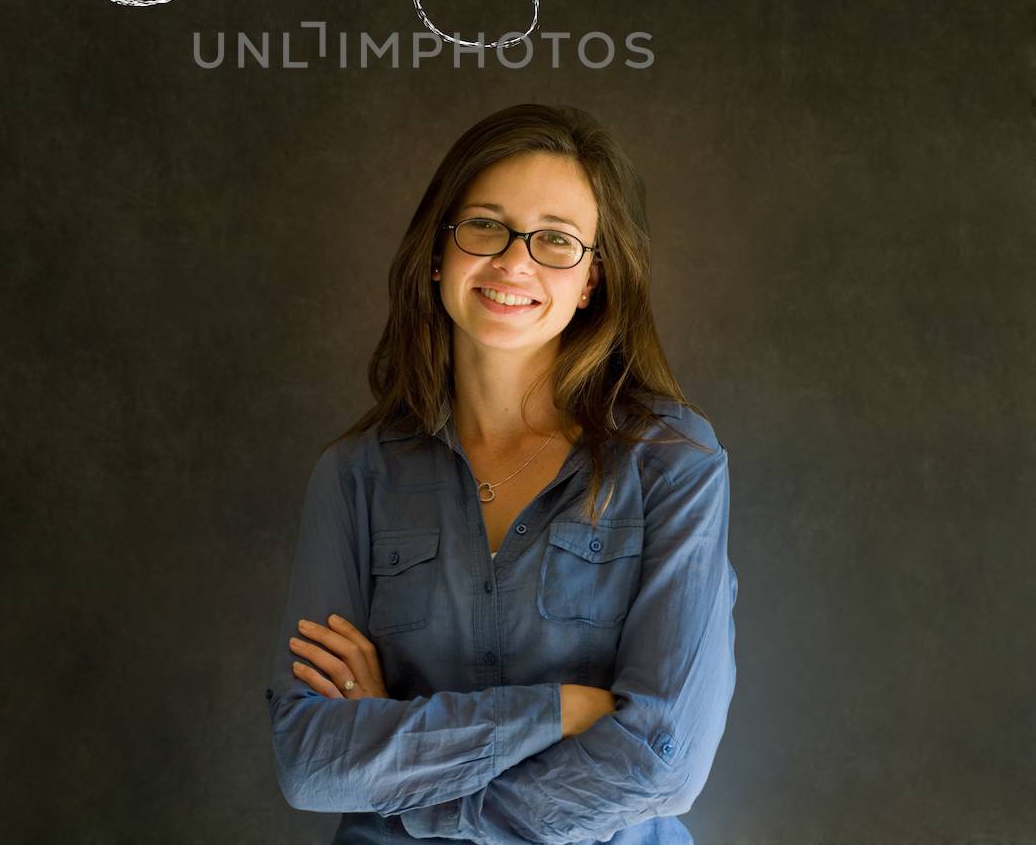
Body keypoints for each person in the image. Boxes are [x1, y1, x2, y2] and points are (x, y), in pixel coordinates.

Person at [265, 102, 737, 844]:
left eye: (556, 240)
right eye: (485, 225)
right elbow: (312, 763)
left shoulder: (674, 462)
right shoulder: (354, 478)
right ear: (437, 252)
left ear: (592, 281)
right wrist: (554, 710)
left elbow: (662, 764)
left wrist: (407, 777)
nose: (515, 262)